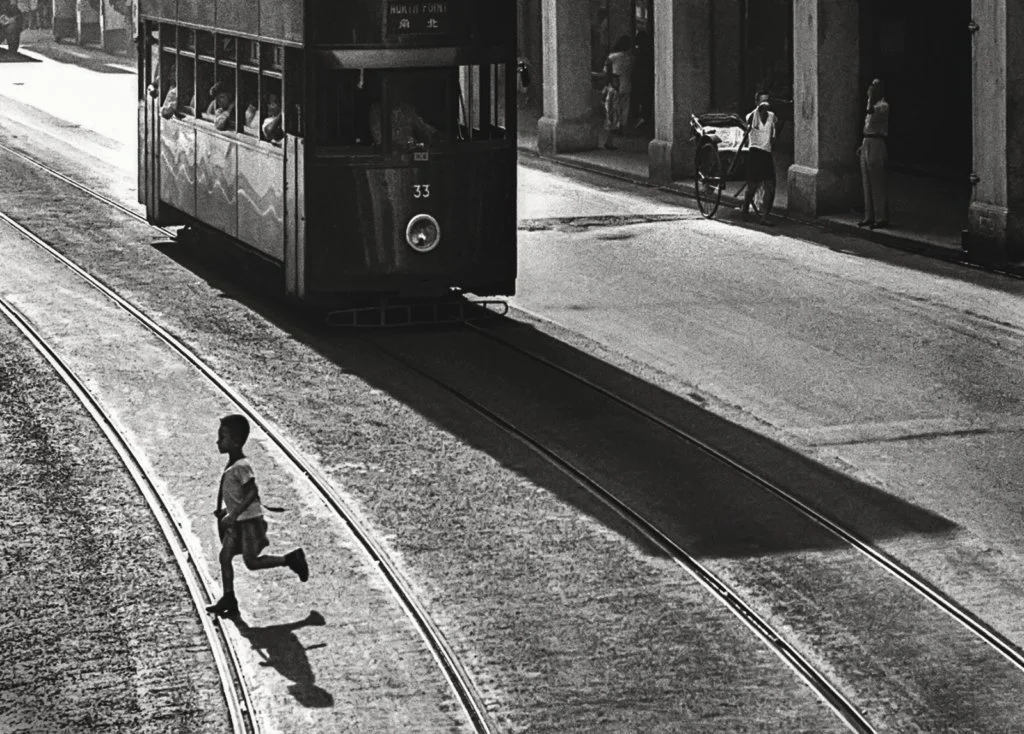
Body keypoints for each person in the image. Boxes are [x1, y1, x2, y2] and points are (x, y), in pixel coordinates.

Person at [206, 414, 309, 618]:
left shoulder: (242, 466)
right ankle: (229, 598)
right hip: (237, 522)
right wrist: (227, 512)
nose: (218, 441)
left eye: (222, 437)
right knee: (224, 557)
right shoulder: (233, 464)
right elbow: (239, 496)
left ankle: (291, 559)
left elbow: (252, 492)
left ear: (236, 442)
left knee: (251, 562)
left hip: (248, 523)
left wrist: (233, 514)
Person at [857, 78, 889, 229]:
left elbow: (871, 113)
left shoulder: (883, 106)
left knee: (877, 181)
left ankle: (880, 217)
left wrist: (870, 98)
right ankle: (868, 215)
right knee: (866, 181)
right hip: (867, 140)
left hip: (877, 141)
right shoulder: (872, 105)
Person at [742, 92, 778, 225]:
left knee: (770, 186)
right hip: (755, 153)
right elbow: (749, 122)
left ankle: (765, 216)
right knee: (752, 186)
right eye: (762, 101)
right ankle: (745, 208)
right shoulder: (751, 116)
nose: (765, 104)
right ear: (756, 102)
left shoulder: (772, 117)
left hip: (766, 153)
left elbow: (774, 134)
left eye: (767, 101)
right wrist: (759, 109)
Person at [603, 36, 634, 132]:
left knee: (612, 106)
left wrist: (606, 85)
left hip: (614, 85)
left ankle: (613, 126)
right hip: (627, 84)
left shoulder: (612, 57)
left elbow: (606, 71)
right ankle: (622, 125)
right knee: (624, 106)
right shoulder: (631, 58)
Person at [601, 73, 620, 149]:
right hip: (611, 112)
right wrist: (610, 113)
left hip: (613, 111)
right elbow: (609, 103)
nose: (618, 83)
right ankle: (608, 143)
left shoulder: (610, 90)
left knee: (611, 129)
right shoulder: (612, 91)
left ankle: (609, 143)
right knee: (610, 129)